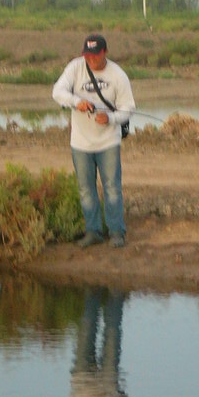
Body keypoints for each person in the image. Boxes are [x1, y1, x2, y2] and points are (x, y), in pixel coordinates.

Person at [52, 33, 135, 248]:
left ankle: (117, 232)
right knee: (86, 188)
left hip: (108, 142)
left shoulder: (118, 75)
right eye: (87, 56)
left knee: (112, 188)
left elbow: (127, 109)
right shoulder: (75, 68)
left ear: (104, 52)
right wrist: (76, 102)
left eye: (95, 56)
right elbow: (57, 92)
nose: (91, 60)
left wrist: (110, 118)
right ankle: (93, 231)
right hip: (80, 143)